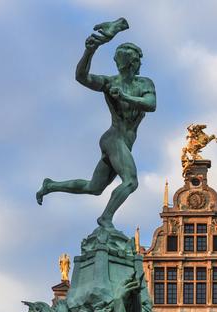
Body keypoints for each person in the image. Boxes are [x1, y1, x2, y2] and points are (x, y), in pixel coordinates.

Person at [37, 22, 156, 229]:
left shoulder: (144, 83)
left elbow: (151, 104)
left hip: (123, 143)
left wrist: (125, 96)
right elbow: (81, 77)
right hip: (114, 139)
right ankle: (106, 218)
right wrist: (89, 51)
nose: (139, 65)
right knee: (131, 181)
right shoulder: (110, 83)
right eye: (137, 61)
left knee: (94, 188)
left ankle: (51, 185)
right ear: (132, 62)